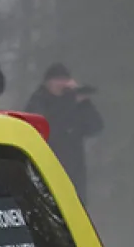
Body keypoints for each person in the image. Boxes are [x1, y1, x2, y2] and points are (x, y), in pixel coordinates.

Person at [26, 62, 104, 202]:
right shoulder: (38, 101)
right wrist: (70, 101)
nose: (62, 84)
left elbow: (95, 126)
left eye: (65, 79)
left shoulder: (72, 102)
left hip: (74, 172)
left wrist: (84, 103)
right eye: (58, 80)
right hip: (47, 170)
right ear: (47, 83)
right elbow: (49, 128)